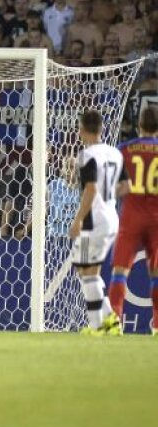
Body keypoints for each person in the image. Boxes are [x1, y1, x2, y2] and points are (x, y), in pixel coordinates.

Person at [63, 109, 123, 336]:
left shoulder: (87, 156)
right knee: (91, 271)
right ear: (102, 128)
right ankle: (111, 322)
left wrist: (77, 220)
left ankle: (98, 325)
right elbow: (124, 186)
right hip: (112, 218)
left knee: (85, 271)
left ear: (81, 130)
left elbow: (90, 188)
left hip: (93, 221)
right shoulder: (115, 153)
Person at [108, 105, 158, 336]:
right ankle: (157, 325)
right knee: (155, 271)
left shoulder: (124, 149)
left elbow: (114, 185)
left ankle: (114, 320)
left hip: (132, 214)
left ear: (139, 125)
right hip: (156, 216)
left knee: (120, 269)